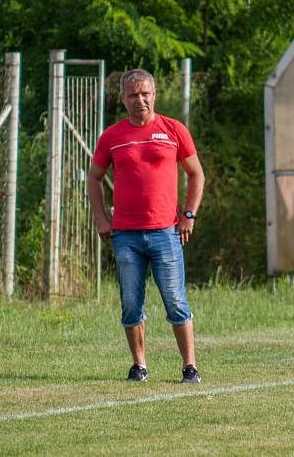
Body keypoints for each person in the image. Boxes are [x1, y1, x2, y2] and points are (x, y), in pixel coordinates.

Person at [88, 69, 205, 384]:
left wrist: (188, 215)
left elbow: (197, 174)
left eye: (144, 94)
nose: (139, 100)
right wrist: (101, 218)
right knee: (130, 302)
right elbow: (94, 178)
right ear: (123, 99)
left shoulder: (173, 129)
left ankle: (189, 366)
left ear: (153, 94)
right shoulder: (112, 136)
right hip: (125, 234)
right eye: (132, 95)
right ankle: (139, 366)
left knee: (175, 299)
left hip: (166, 232)